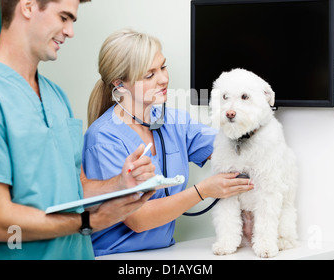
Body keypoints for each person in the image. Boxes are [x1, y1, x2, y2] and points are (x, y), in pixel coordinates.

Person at [0, 0, 155, 260]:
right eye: (64, 17)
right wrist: (90, 222)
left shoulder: (55, 97)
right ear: (28, 5)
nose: (69, 32)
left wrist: (119, 185)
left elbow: (74, 189)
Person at [83, 29, 254, 256]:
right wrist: (203, 190)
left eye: (163, 67)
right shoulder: (103, 138)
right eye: (149, 74)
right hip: (116, 255)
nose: (163, 79)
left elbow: (232, 146)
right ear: (120, 84)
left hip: (164, 253)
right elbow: (138, 220)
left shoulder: (174, 122)